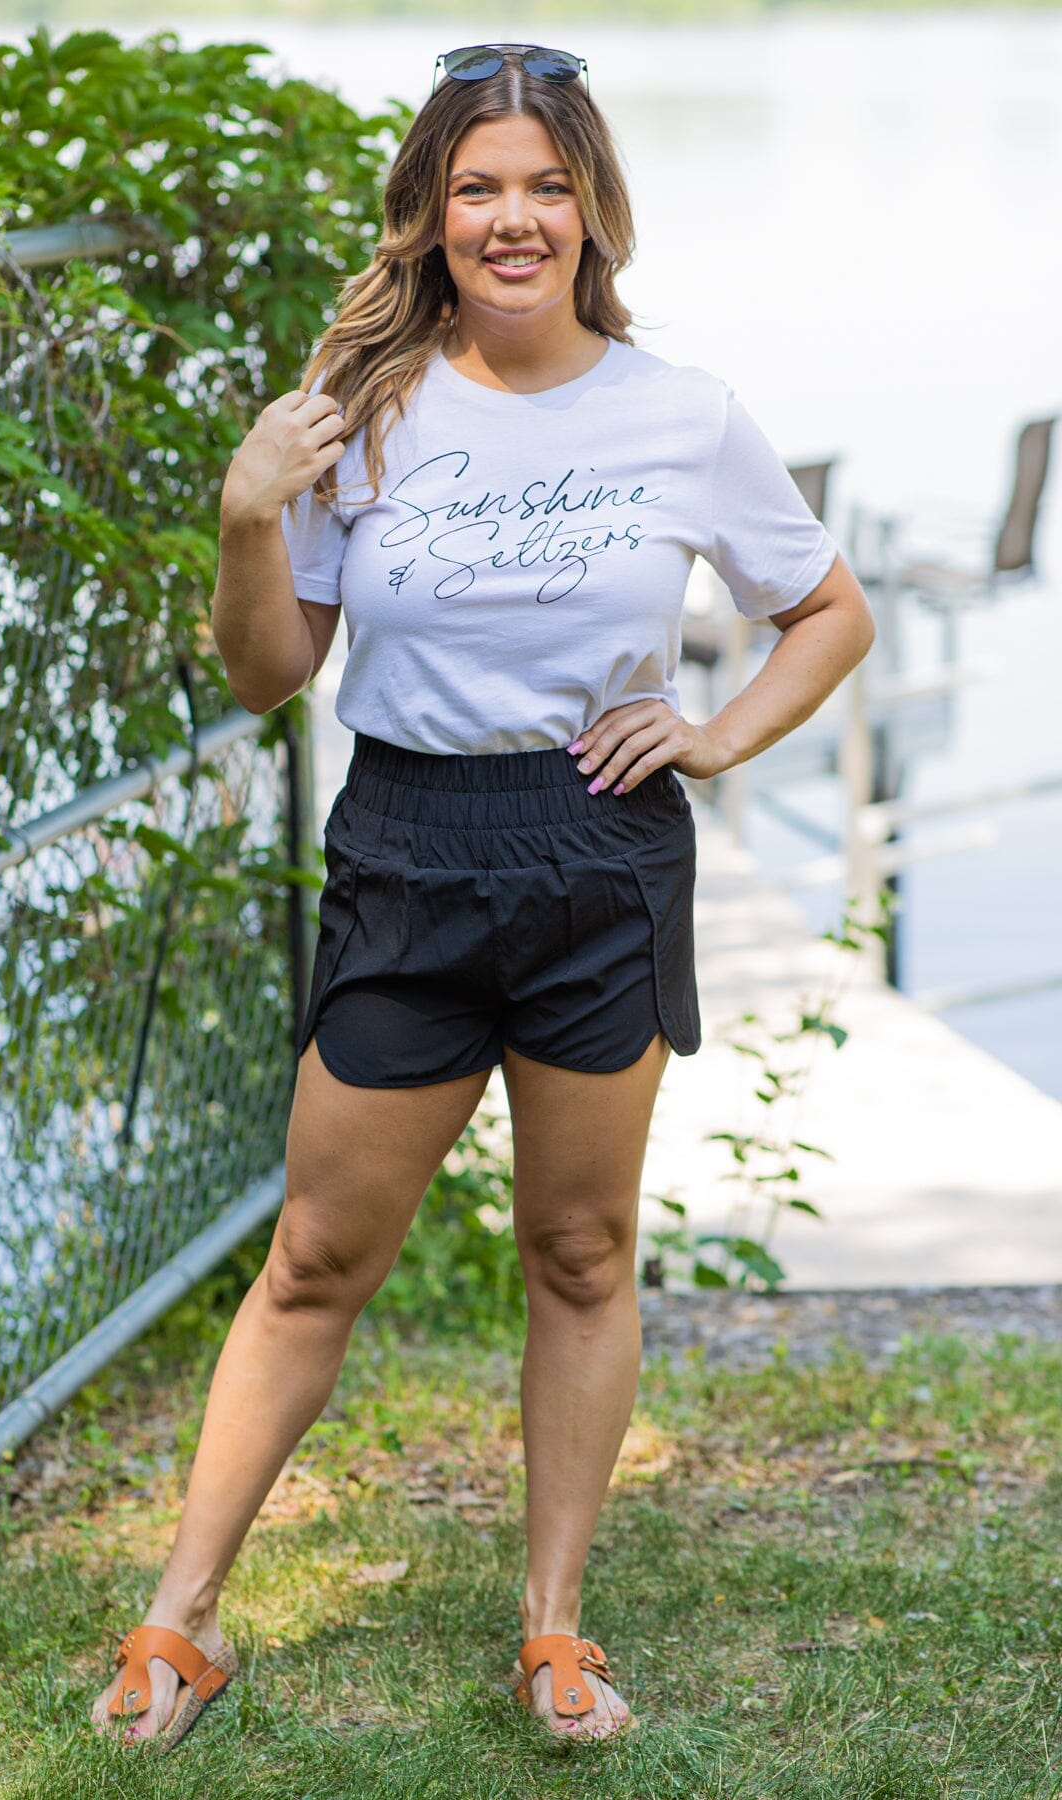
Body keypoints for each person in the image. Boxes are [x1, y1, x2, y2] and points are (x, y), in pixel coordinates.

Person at [91, 41, 875, 1751]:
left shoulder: (682, 414)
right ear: (432, 213)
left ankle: (554, 1632)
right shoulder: (358, 404)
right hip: (409, 845)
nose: (512, 220)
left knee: (580, 1251)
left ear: (591, 209)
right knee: (317, 1253)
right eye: (477, 188)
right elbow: (266, 675)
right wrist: (244, 517)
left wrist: (718, 734)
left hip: (598, 846)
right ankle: (182, 1620)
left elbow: (829, 611)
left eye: (544, 186)